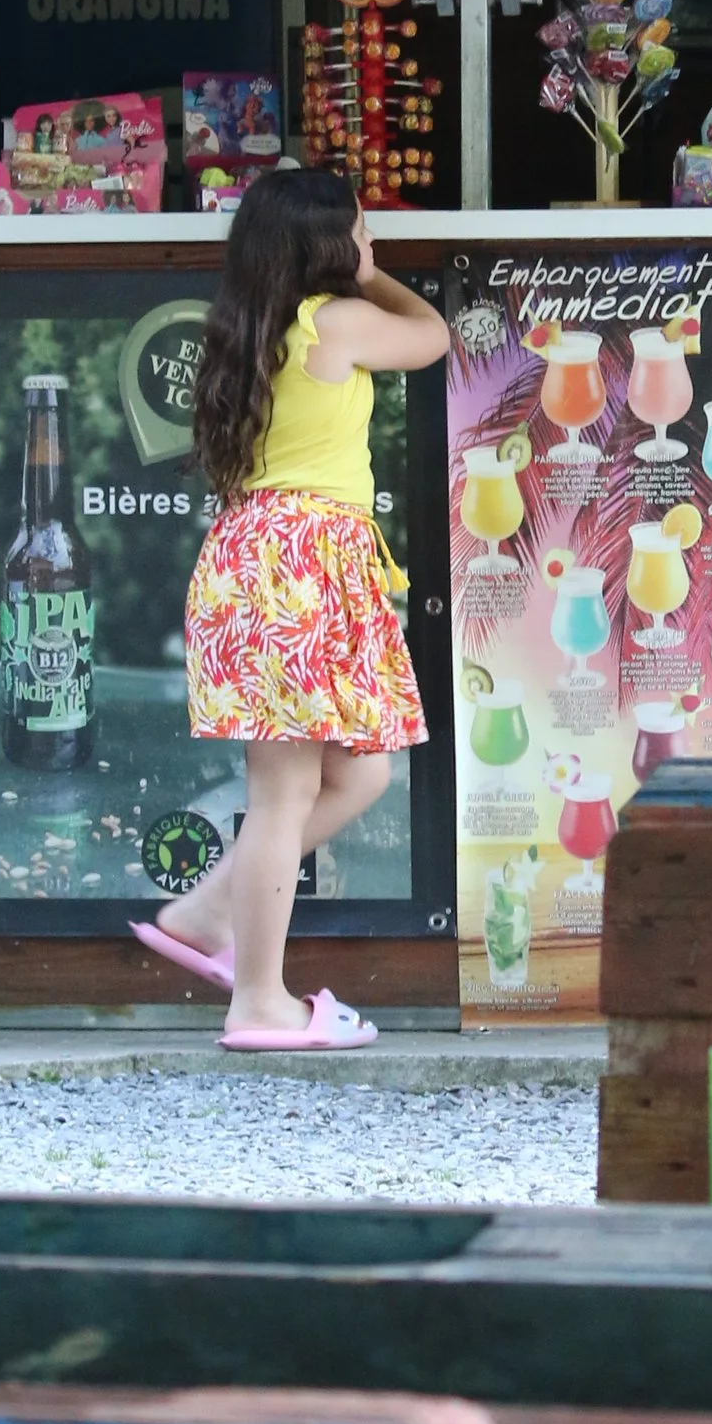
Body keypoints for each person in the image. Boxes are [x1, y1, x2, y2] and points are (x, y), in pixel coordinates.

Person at [137, 166, 446, 1050]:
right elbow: (431, 337)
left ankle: (203, 915)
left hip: (258, 558)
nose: (365, 236)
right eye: (356, 226)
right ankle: (261, 1004)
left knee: (359, 772)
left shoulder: (244, 332)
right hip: (302, 561)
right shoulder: (335, 319)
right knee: (285, 794)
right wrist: (373, 268)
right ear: (327, 247)